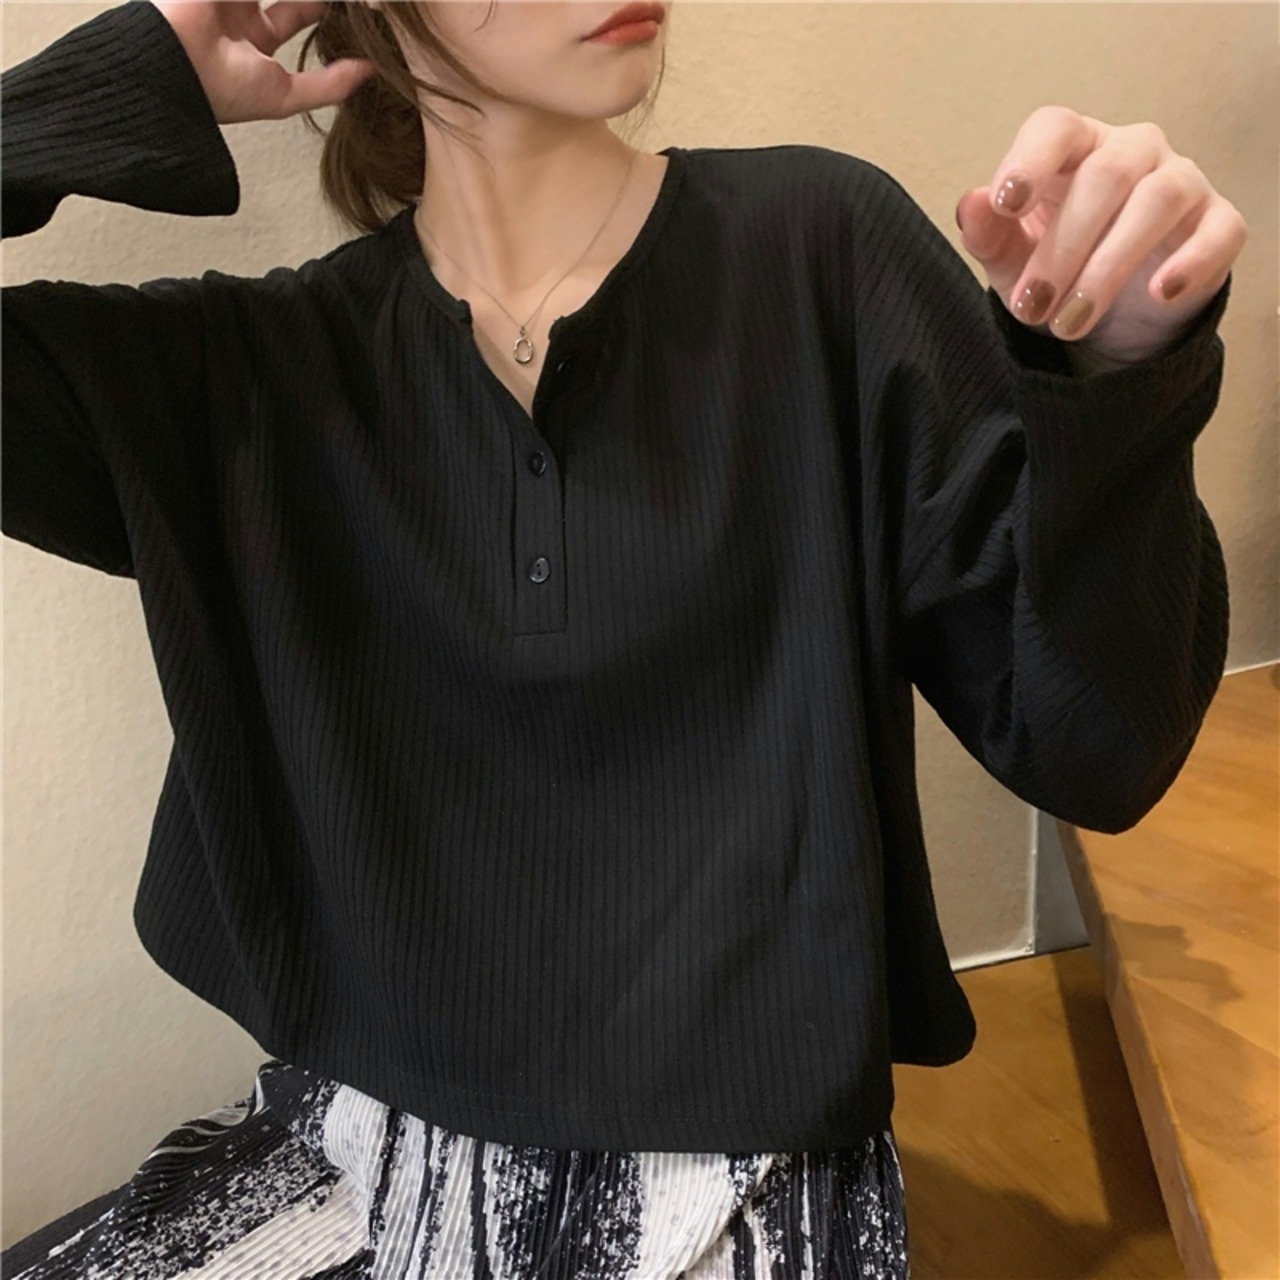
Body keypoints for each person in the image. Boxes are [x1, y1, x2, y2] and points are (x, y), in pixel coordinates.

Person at [0, 0, 1246, 1276]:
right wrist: (126, 78)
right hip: (356, 1160)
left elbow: (1096, 746)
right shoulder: (250, 376)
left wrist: (1116, 382)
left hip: (744, 1186)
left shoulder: (817, 252)